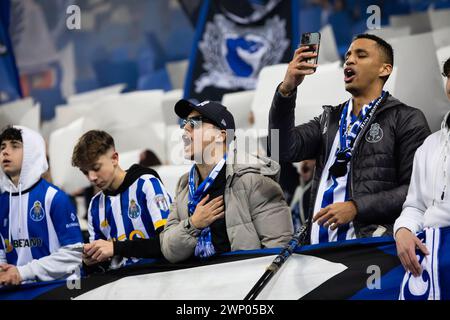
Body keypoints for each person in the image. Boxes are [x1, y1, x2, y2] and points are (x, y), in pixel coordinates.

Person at [269, 33, 430, 245]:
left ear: (385, 69)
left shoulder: (407, 118)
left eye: (361, 55)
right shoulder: (329, 120)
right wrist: (286, 90)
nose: (350, 60)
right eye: (347, 56)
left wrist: (356, 207)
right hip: (316, 251)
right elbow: (280, 148)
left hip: (368, 251)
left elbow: (415, 190)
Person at [160, 100, 293, 263]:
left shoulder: (253, 179)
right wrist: (193, 224)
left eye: (195, 123)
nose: (185, 129)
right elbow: (168, 250)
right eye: (185, 123)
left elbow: (278, 249)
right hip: (197, 285)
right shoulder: (184, 186)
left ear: (221, 135)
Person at [71, 130, 172, 270]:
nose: (91, 177)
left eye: (96, 168)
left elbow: (168, 243)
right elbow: (103, 262)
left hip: (156, 274)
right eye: (85, 172)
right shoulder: (95, 205)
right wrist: (89, 262)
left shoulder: (146, 184)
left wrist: (115, 247)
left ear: (114, 159)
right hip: (117, 283)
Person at [0, 126, 83, 285]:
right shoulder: (2, 203)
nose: (5, 151)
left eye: (15, 146)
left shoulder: (54, 197)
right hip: (16, 291)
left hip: (56, 288)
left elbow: (74, 255)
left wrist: (23, 272)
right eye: (2, 147)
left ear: (32, 152)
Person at [394, 57, 450, 277]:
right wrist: (403, 230)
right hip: (431, 259)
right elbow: (416, 206)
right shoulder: (430, 145)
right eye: (449, 77)